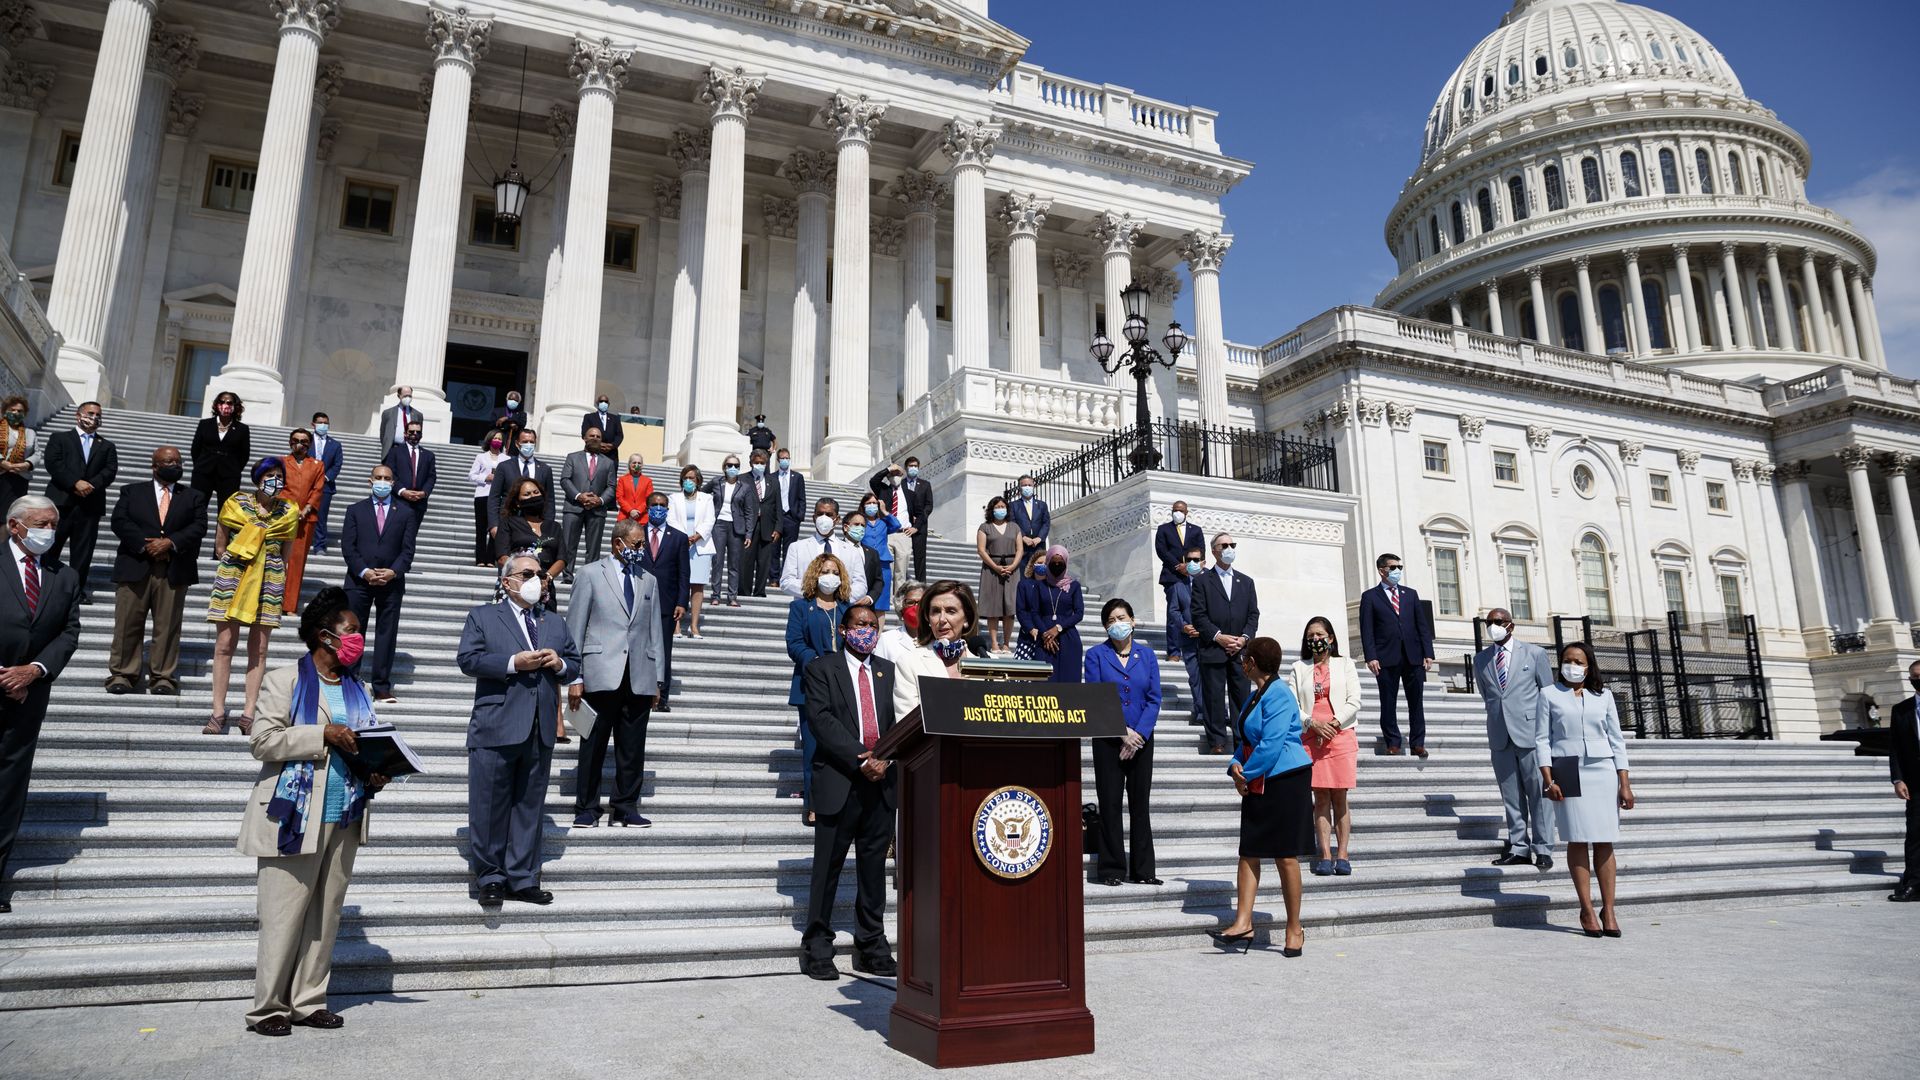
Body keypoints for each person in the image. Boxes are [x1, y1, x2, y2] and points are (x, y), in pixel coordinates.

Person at [238, 587, 390, 1036]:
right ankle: (269, 1008)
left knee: (326, 915)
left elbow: (367, 744)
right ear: (325, 637)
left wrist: (378, 771)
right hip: (295, 815)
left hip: (344, 814)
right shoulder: (285, 679)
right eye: (351, 631)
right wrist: (322, 733)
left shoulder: (359, 689)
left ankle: (308, 1000)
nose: (358, 639)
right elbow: (262, 741)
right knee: (284, 916)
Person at [457, 555, 581, 905]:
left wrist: (560, 665)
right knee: (490, 804)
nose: (538, 580)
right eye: (529, 574)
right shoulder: (482, 616)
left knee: (529, 805)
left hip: (539, 726)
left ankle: (522, 877)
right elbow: (468, 659)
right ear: (507, 580)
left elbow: (574, 663)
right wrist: (513, 663)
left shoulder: (554, 622)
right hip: (496, 723)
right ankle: (491, 876)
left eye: (541, 575)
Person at [799, 601, 897, 980]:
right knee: (828, 869)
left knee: (873, 871)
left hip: (882, 783)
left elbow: (898, 719)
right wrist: (863, 758)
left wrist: (885, 759)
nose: (867, 630)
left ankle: (871, 945)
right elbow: (821, 721)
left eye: (873, 625)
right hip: (841, 781)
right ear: (843, 629)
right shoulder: (822, 668)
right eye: (860, 624)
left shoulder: (889, 672)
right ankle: (818, 947)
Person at [0, 495, 83, 913]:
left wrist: (33, 670)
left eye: (53, 524)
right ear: (16, 526)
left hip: (29, 695)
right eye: (42, 524)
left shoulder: (64, 576)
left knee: (10, 786)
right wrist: (4, 676)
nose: (49, 531)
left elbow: (68, 633)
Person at [1210, 638, 1311, 956]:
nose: (1241, 663)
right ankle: (1243, 923)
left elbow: (1272, 743)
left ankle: (1294, 927)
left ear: (1253, 662)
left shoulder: (1280, 693)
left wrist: (1247, 774)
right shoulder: (1255, 696)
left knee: (1284, 855)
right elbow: (1246, 741)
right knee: (1249, 850)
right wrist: (1234, 766)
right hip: (1259, 776)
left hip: (1285, 779)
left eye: (1244, 659)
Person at [565, 518, 663, 829]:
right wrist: (574, 677)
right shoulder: (591, 574)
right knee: (592, 745)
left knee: (633, 746)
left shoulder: (649, 580)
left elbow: (654, 632)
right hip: (599, 672)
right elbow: (575, 628)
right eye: (636, 544)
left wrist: (658, 679)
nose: (640, 549)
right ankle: (587, 807)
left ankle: (625, 806)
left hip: (639, 675)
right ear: (617, 543)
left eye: (642, 544)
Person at [1540, 642, 1634, 938]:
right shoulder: (1548, 694)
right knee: (1577, 839)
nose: (1572, 665)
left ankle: (1609, 909)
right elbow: (1541, 739)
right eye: (1567, 660)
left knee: (1605, 840)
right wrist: (1549, 780)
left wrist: (1625, 782)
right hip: (1566, 768)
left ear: (1588, 665)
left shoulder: (1603, 696)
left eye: (1578, 660)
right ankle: (1587, 909)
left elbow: (1616, 739)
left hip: (1602, 769)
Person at [204, 458, 302, 736]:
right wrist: (242, 558)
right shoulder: (236, 504)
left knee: (258, 649)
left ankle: (249, 712)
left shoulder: (288, 511)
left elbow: (286, 555)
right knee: (225, 644)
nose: (275, 480)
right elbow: (220, 545)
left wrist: (272, 572)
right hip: (235, 575)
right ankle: (218, 711)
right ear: (258, 478)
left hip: (269, 578)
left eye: (279, 476)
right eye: (269, 475)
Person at [105, 446, 208, 695]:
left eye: (178, 461)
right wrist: (145, 545)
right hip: (135, 566)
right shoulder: (132, 491)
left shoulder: (193, 496)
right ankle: (123, 674)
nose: (175, 465)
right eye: (169, 461)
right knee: (128, 622)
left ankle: (163, 676)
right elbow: (120, 521)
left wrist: (170, 543)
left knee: (168, 625)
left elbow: (199, 526)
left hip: (173, 569)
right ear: (155, 466)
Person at [1084, 598, 1161, 888]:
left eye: (1122, 617)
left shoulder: (1148, 656)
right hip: (1108, 739)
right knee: (1111, 802)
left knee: (1140, 803)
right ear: (1106, 626)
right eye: (1112, 619)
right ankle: (1112, 869)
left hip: (1141, 741)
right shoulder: (1095, 655)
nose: (1118, 623)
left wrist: (1137, 734)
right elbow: (1096, 697)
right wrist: (1122, 733)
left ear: (1132, 620)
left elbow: (1154, 698)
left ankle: (1143, 869)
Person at [1475, 608, 1556, 870]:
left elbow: (1548, 694)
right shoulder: (1481, 659)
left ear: (1511, 625)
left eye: (1497, 622)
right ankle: (1519, 846)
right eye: (1489, 622)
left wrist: (1548, 733)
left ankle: (1543, 848)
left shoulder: (1534, 653)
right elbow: (1487, 695)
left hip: (1531, 734)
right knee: (1511, 796)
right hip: (1500, 735)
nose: (1492, 626)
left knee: (1539, 794)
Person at [1288, 617, 1362, 877]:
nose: (1315, 639)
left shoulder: (1346, 664)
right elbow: (1292, 703)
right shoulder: (1299, 667)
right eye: (1311, 636)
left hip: (1340, 734)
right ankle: (1325, 853)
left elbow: (1354, 700)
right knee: (1320, 797)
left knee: (1339, 796)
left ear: (1331, 637)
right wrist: (1311, 723)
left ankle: (1342, 853)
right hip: (1311, 736)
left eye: (1320, 634)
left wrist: (1332, 724)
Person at [340, 465, 419, 705]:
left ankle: (382, 686)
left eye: (387, 478)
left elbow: (408, 550)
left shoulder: (405, 513)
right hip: (358, 581)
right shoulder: (355, 510)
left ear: (394, 482)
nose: (382, 482)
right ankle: (350, 682)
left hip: (391, 582)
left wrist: (393, 572)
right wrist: (364, 572)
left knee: (387, 634)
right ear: (370, 481)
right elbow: (348, 546)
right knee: (353, 632)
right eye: (378, 478)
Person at [787, 553, 849, 825]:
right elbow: (795, 643)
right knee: (813, 749)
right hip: (811, 684)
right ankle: (813, 805)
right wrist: (817, 661)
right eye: (825, 571)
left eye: (835, 572)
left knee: (842, 748)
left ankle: (841, 802)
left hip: (844, 686)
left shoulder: (847, 609)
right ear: (815, 574)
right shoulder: (801, 607)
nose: (830, 576)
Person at [41, 400, 118, 603]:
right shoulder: (59, 438)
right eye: (90, 413)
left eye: (98, 415)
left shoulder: (107, 446)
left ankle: (75, 592)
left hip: (89, 505)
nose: (94, 418)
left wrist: (90, 485)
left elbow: (110, 471)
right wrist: (75, 483)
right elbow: (53, 463)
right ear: (78, 415)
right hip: (61, 503)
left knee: (83, 553)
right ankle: (44, 587)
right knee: (51, 546)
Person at [1359, 552, 1435, 758]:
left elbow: (1422, 625)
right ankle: (1393, 742)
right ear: (1382, 570)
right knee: (1388, 701)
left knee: (1416, 702)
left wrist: (1428, 652)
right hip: (1385, 656)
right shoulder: (1370, 597)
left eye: (1399, 568)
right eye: (1393, 568)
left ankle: (1418, 743)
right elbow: (1367, 629)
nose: (1397, 571)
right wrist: (1370, 656)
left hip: (1413, 656)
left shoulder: (1410, 594)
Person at [1191, 531, 1258, 756]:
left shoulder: (1246, 582)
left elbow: (1253, 615)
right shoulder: (1202, 581)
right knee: (1214, 696)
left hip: (1240, 651)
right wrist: (1218, 636)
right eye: (1224, 545)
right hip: (1213, 649)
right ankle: (1217, 740)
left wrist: (1244, 638)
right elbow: (1198, 615)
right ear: (1214, 551)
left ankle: (1242, 741)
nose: (1229, 548)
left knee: (1242, 697)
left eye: (1232, 544)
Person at [635, 492, 690, 713]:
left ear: (668, 509)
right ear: (647, 507)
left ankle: (662, 695)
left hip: (666, 602)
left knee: (663, 650)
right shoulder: (636, 533)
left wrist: (681, 601)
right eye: (654, 505)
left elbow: (684, 573)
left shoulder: (678, 537)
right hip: (638, 599)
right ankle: (638, 692)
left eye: (662, 505)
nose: (658, 508)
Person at [891, 580, 977, 719]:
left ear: (967, 618)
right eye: (936, 611)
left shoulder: (989, 664)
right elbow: (906, 722)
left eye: (951, 611)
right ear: (927, 618)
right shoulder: (909, 662)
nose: (942, 619)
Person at [779, 497, 866, 603]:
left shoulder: (851, 551)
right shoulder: (797, 548)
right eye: (820, 514)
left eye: (829, 515)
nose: (824, 518)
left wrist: (839, 595)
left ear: (837, 519)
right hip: (807, 607)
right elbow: (786, 582)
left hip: (840, 610)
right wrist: (816, 589)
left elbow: (861, 585)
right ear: (814, 518)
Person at [1017, 545, 1083, 683]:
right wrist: (1045, 634)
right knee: (1044, 682)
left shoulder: (1074, 586)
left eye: (1060, 562)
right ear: (1048, 563)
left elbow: (1079, 613)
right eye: (1054, 562)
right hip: (1044, 639)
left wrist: (1058, 628)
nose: (1057, 565)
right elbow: (1035, 612)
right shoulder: (1040, 585)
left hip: (1068, 637)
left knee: (1068, 682)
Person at [495, 477, 566, 605]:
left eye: (536, 492)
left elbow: (562, 558)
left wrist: (546, 578)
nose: (533, 496)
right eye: (527, 494)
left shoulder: (554, 526)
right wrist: (524, 576)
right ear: (517, 502)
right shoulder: (509, 523)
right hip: (517, 585)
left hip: (544, 587)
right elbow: (502, 556)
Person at [279, 428, 327, 615]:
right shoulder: (281, 462)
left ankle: (290, 605)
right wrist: (290, 509)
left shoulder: (317, 465)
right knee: (276, 559)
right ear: (290, 442)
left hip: (306, 519)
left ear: (310, 444)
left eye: (304, 441)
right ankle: (272, 601)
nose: (300, 444)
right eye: (296, 440)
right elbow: (279, 486)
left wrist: (306, 509)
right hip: (282, 516)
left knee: (297, 562)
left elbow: (317, 490)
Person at [560, 427, 615, 582]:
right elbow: (565, 479)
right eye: (591, 435)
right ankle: (567, 575)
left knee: (593, 547)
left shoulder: (608, 462)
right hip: (573, 507)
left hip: (597, 510)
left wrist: (600, 500)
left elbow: (611, 486)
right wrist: (579, 496)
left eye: (598, 436)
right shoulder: (572, 457)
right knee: (569, 544)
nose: (595, 438)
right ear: (584, 438)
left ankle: (589, 577)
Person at [667, 465, 715, 637]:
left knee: (697, 586)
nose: (688, 481)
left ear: (698, 480)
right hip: (679, 545)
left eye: (692, 478)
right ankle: (676, 625)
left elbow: (710, 520)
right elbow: (671, 519)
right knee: (679, 583)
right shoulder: (674, 498)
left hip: (700, 546)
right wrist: (682, 539)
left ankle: (694, 626)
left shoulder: (707, 498)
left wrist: (696, 536)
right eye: (685, 478)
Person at [486, 428, 557, 541]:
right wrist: (494, 525)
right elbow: (494, 497)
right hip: (507, 522)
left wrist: (548, 525)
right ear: (517, 443)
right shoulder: (504, 467)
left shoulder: (545, 469)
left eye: (531, 442)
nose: (528, 445)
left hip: (535, 524)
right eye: (525, 442)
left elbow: (549, 500)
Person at [1888, 660, 1920, 902]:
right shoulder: (1901, 710)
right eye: (1914, 676)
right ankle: (1913, 884)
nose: (1917, 680)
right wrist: (1898, 779)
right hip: (1915, 782)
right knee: (1916, 835)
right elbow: (1896, 748)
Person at [1167, 544, 1208, 731]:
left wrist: (1206, 629)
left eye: (1196, 560)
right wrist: (1184, 626)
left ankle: (1218, 712)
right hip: (1189, 640)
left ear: (1203, 562)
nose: (1193, 563)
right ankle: (1200, 712)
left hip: (1208, 639)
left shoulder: (1211, 582)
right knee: (1195, 677)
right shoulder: (1178, 586)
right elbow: (1173, 611)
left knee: (1211, 678)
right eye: (1189, 560)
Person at [1154, 501, 1202, 656]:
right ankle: (1174, 651)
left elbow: (1201, 550)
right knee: (1174, 611)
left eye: (1180, 510)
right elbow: (1161, 550)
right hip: (1172, 576)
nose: (1177, 513)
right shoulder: (1164, 529)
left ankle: (1192, 645)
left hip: (1192, 576)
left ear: (1186, 512)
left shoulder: (1195, 530)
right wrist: (1178, 565)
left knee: (1191, 609)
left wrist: (1189, 567)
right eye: (1174, 510)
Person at [190, 391, 251, 514]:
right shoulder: (205, 424)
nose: (225, 405)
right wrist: (201, 465)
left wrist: (233, 469)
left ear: (235, 406)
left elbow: (244, 454)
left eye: (229, 402)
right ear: (216, 405)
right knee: (197, 508)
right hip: (203, 472)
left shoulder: (242, 429)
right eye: (222, 402)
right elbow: (195, 449)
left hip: (228, 475)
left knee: (226, 512)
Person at [976, 496, 1019, 653]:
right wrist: (995, 567)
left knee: (1010, 606)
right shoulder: (985, 527)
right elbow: (981, 549)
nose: (1001, 509)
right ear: (991, 509)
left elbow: (1019, 549)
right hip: (991, 569)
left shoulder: (1014, 527)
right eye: (997, 506)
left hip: (1011, 569)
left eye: (1003, 506)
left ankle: (1006, 643)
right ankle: (994, 643)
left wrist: (1013, 565)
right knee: (993, 606)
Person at [708, 453, 750, 606]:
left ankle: (732, 596)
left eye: (736, 466)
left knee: (734, 564)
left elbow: (749, 511)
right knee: (717, 561)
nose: (733, 468)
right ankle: (716, 595)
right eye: (730, 465)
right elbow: (702, 495)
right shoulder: (716, 482)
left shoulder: (744, 486)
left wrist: (749, 533)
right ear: (724, 467)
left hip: (736, 528)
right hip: (718, 524)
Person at [382, 419, 438, 534]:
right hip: (398, 501)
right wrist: (402, 491)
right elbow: (390, 474)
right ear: (405, 433)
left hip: (418, 503)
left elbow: (431, 477)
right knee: (394, 535)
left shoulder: (429, 455)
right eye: (411, 432)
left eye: (418, 432)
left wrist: (424, 493)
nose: (415, 435)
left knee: (410, 538)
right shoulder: (394, 452)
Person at [465, 430, 508, 566]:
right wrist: (485, 478)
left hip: (498, 497)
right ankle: (480, 558)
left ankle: (491, 558)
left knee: (496, 527)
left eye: (500, 439)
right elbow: (471, 475)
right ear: (489, 440)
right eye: (495, 438)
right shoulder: (481, 457)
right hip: (483, 494)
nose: (497, 441)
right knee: (481, 528)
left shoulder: (506, 459)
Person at [855, 490, 899, 612]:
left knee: (881, 601)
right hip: (866, 562)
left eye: (874, 503)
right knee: (866, 597)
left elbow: (897, 525)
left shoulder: (883, 523)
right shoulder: (861, 522)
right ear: (863, 505)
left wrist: (885, 511)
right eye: (869, 503)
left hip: (883, 562)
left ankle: (879, 630)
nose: (872, 505)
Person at [742, 451, 779, 597]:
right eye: (756, 462)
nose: (759, 465)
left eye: (762, 463)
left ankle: (759, 591)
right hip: (748, 527)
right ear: (751, 463)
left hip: (767, 526)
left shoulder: (773, 481)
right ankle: (744, 591)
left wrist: (778, 528)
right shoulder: (742, 479)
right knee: (746, 561)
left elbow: (778, 506)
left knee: (764, 562)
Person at [307, 412, 343, 556]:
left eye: (325, 423)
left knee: (321, 516)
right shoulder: (306, 441)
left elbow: (337, 464)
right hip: (306, 483)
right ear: (313, 424)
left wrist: (326, 478)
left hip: (325, 486)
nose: (323, 425)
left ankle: (319, 545)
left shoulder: (335, 445)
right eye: (320, 422)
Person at [0, 395, 38, 518]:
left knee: (9, 515)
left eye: (20, 411)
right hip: (1, 474)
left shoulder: (30, 433)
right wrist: (2, 462)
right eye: (12, 410)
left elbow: (37, 453)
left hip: (19, 478)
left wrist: (27, 464)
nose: (16, 413)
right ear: (5, 410)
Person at [897, 457, 933, 581]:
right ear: (906, 467)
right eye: (911, 466)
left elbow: (929, 505)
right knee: (902, 555)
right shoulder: (900, 484)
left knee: (920, 556)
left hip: (920, 525)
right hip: (904, 524)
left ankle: (921, 584)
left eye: (916, 466)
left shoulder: (925, 485)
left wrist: (920, 517)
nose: (914, 468)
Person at [771, 447, 806, 571]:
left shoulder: (797, 477)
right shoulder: (772, 477)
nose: (785, 460)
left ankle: (785, 575)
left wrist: (800, 516)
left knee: (789, 549)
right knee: (774, 549)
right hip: (775, 518)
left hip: (792, 517)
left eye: (787, 458)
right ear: (778, 460)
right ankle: (774, 577)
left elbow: (802, 498)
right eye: (782, 458)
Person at [875, 581, 924, 663]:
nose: (916, 607)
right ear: (901, 608)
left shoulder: (938, 640)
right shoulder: (887, 640)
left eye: (921, 603)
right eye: (910, 602)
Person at [1007, 474, 1049, 557]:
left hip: (1038, 546)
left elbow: (1046, 523)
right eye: (1024, 485)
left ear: (1033, 486)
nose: (1027, 487)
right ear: (1019, 488)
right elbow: (1012, 523)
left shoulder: (1042, 505)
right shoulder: (1013, 505)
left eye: (1029, 485)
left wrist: (1040, 538)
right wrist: (1023, 537)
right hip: (1021, 547)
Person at [376, 385, 418, 449]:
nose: (408, 398)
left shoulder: (417, 414)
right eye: (405, 396)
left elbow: (418, 433)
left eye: (410, 396)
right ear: (399, 396)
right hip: (392, 448)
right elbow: (383, 433)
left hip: (409, 449)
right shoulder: (387, 413)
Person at [615, 453, 653, 525]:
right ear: (629, 464)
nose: (636, 465)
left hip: (642, 519)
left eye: (639, 463)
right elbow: (619, 497)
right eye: (634, 462)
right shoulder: (622, 479)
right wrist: (630, 510)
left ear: (642, 465)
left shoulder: (648, 481)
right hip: (625, 517)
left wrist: (638, 511)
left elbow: (649, 499)